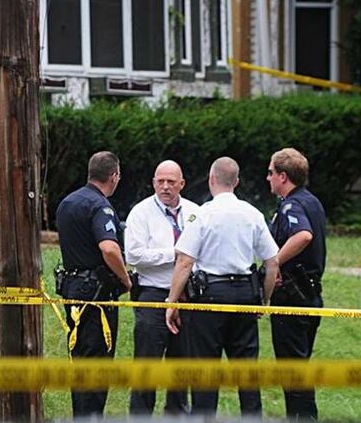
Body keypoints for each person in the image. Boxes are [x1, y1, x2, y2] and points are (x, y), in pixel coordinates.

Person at [165, 157, 279, 416]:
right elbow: (272, 262)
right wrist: (265, 299)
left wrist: (171, 302)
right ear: (236, 182)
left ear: (211, 179)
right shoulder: (253, 214)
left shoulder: (203, 213)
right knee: (248, 374)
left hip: (209, 300)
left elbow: (184, 261)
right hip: (245, 297)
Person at [55, 151, 132, 417]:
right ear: (113, 176)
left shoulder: (67, 202)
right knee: (97, 366)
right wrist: (125, 278)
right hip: (97, 296)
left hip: (72, 291)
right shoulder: (101, 206)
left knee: (80, 362)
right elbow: (109, 249)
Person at [125, 160, 199, 415]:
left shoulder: (195, 212)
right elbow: (134, 256)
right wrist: (175, 254)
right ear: (153, 182)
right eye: (160, 181)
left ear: (182, 183)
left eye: (171, 182)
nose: (165, 187)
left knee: (182, 368)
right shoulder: (141, 212)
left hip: (188, 297)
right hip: (153, 295)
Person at [266, 148, 326, 421]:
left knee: (292, 370)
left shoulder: (292, 204)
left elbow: (303, 235)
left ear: (283, 176)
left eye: (270, 173)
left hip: (293, 297)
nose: (267, 178)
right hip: (310, 295)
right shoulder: (312, 201)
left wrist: (275, 262)